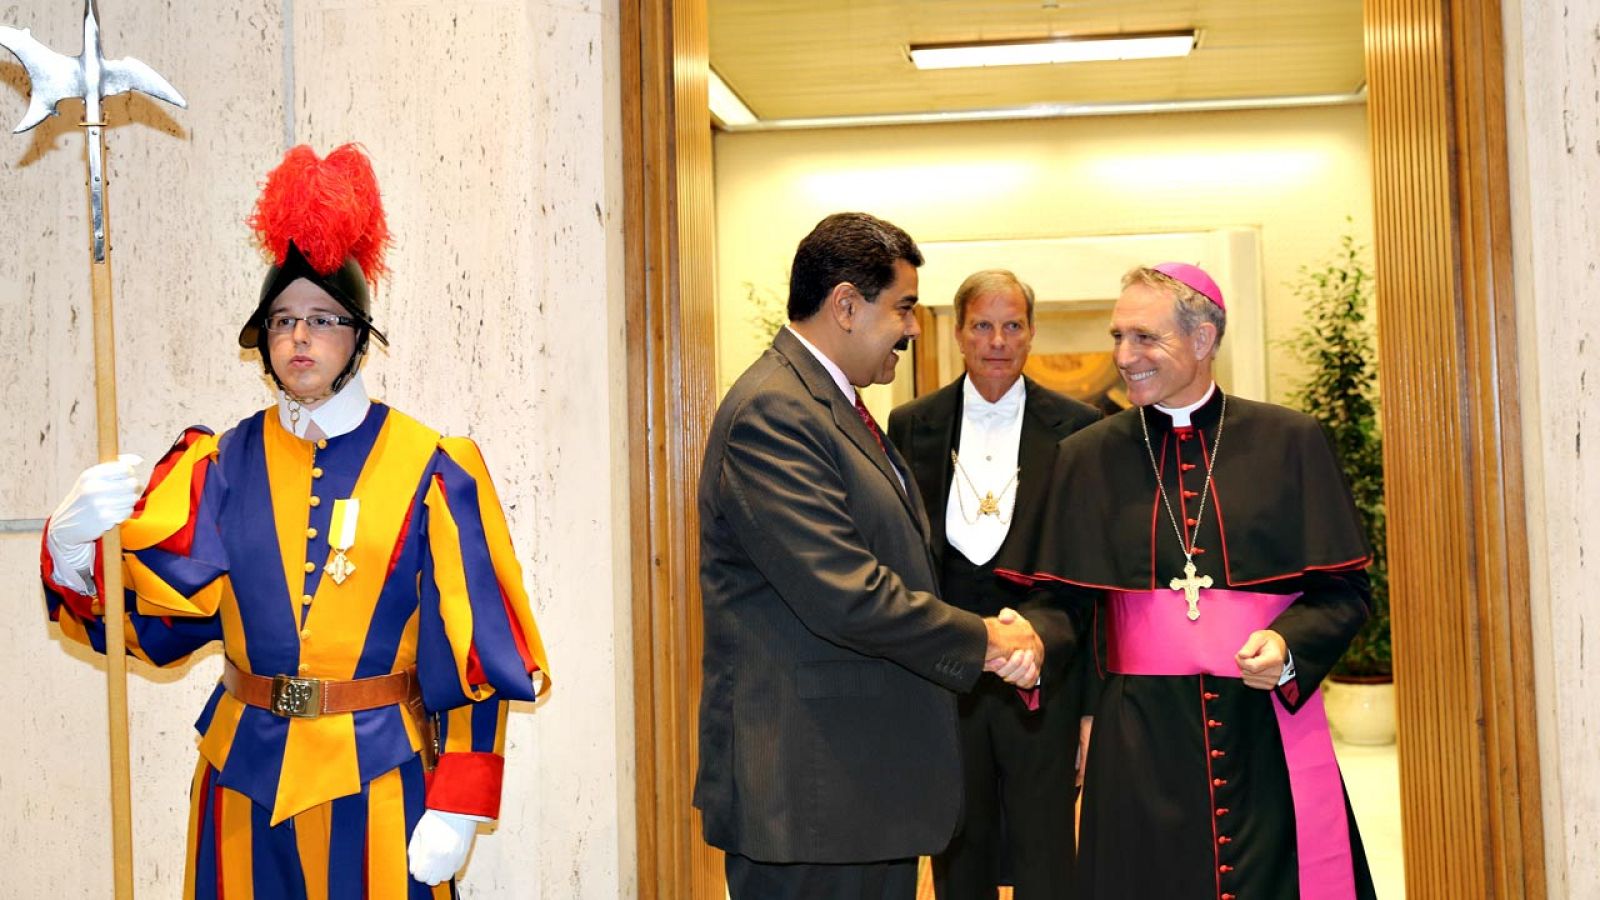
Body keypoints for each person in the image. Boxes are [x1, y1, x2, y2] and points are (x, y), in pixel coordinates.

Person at [37, 143, 550, 899]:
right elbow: (150, 624)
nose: (298, 338)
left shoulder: (432, 467)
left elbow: (474, 654)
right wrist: (74, 549)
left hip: (379, 777)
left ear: (357, 334)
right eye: (281, 320)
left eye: (319, 318)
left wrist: (461, 803)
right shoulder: (221, 466)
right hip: (241, 778)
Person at [695, 213, 1055, 900]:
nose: (916, 328)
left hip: (856, 791)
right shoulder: (775, 413)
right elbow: (847, 593)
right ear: (846, 306)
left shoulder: (831, 405)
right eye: (905, 307)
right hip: (810, 794)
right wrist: (984, 639)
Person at [1005, 263, 1377, 899]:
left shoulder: (1290, 441)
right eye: (1118, 336)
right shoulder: (1085, 458)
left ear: (1203, 339)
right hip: (1137, 742)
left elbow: (1342, 593)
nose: (1124, 356)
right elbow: (1061, 603)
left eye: (1145, 338)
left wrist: (1289, 647)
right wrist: (1034, 640)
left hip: (1264, 726)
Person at [886, 270, 1100, 900]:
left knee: (1048, 856)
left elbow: (1088, 576)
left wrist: (1089, 706)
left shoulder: (1080, 427)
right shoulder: (911, 424)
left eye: (1012, 326)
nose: (997, 341)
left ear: (1032, 333)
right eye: (982, 325)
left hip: (1044, 676)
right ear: (958, 333)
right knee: (959, 854)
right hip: (948, 674)